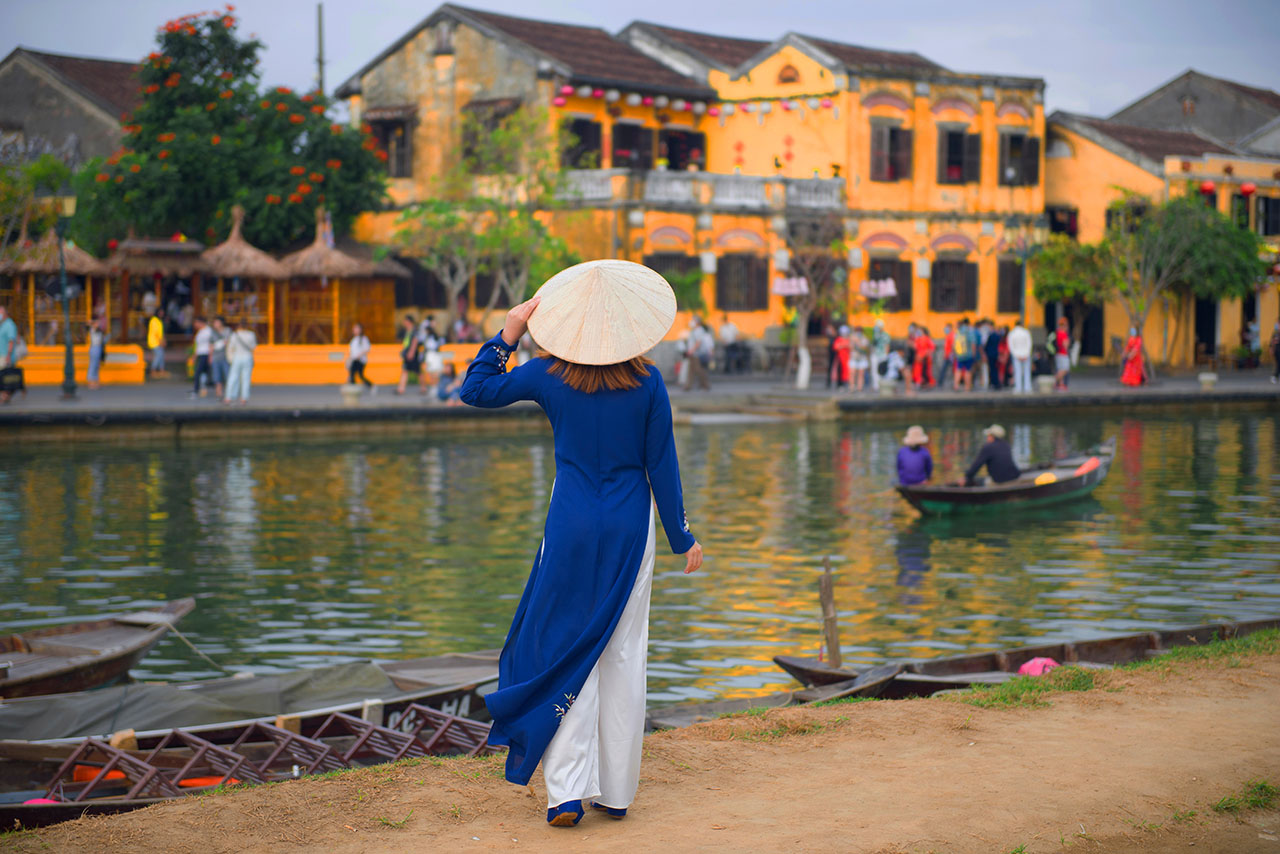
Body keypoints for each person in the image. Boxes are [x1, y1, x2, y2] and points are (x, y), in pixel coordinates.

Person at [459, 260, 702, 829]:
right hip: (628, 529)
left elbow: (476, 390)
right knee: (621, 653)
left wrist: (510, 331)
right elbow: (661, 465)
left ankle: (565, 793)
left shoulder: (547, 375)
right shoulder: (648, 382)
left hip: (569, 526)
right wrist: (681, 536)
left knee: (566, 649)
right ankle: (616, 793)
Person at [224, 319, 256, 405]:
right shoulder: (251, 335)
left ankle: (228, 397)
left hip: (237, 357)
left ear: (239, 325)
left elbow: (231, 347)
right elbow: (253, 347)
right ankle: (244, 398)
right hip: (247, 357)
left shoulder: (234, 335)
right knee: (246, 378)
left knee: (233, 377)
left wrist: (230, 358)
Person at [682, 317, 712, 391]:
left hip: (696, 354)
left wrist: (691, 351)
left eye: (693, 320)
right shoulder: (695, 330)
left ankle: (705, 384)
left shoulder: (699, 330)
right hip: (693, 353)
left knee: (698, 370)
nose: (691, 322)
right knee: (691, 370)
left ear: (697, 322)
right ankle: (688, 386)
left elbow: (698, 342)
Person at [0, 305, 22, 404]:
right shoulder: (2, 324)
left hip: (5, 356)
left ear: (5, 313)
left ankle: (5, 395)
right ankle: (5, 395)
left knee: (4, 376)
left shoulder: (9, 324)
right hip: (2, 355)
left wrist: (8, 355)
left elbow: (11, 341)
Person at [396, 315, 422, 395]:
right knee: (405, 370)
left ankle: (423, 387)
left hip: (412, 355)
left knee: (418, 371)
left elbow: (415, 341)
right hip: (408, 354)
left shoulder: (414, 330)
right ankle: (401, 388)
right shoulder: (408, 330)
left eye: (405, 321)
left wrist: (411, 352)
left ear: (409, 321)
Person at [1007, 320, 1032, 394]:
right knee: (1027, 372)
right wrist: (1027, 354)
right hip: (1026, 355)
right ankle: (1027, 387)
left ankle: (1018, 388)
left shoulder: (1012, 333)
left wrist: (1016, 355)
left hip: (1017, 355)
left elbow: (1011, 346)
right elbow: (1029, 344)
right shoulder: (1026, 332)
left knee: (1017, 372)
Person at [347, 322, 374, 390]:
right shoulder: (354, 339)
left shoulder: (363, 339)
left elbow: (367, 348)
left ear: (360, 329)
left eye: (356, 328)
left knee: (359, 375)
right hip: (354, 359)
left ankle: (370, 385)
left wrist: (359, 355)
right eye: (354, 328)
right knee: (352, 374)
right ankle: (353, 388)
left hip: (360, 360)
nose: (355, 329)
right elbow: (352, 351)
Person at [191, 317, 212, 398]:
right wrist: (194, 356)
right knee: (203, 373)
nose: (195, 325)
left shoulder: (208, 331)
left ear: (201, 322)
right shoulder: (200, 332)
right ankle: (202, 389)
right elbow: (197, 346)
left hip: (206, 354)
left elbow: (211, 344)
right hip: (200, 354)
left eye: (196, 323)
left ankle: (197, 389)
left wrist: (210, 356)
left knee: (199, 372)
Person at [210, 316, 229, 400]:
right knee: (216, 376)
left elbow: (228, 342)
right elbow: (211, 345)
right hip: (215, 357)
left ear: (221, 323)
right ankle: (219, 393)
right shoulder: (213, 332)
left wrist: (217, 345)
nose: (215, 324)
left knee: (227, 375)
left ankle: (228, 393)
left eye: (216, 322)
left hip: (226, 357)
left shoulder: (227, 331)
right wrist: (210, 356)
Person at [953, 318, 975, 391]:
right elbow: (973, 344)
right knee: (968, 370)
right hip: (968, 355)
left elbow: (954, 344)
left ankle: (956, 386)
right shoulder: (969, 332)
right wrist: (973, 354)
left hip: (959, 355)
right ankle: (967, 387)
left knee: (958, 370)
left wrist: (955, 353)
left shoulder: (958, 332)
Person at [870, 318, 889, 391]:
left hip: (882, 355)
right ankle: (876, 386)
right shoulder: (875, 335)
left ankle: (882, 384)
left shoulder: (885, 335)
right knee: (874, 370)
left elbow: (887, 346)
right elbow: (873, 345)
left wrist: (886, 356)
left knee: (882, 370)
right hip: (875, 355)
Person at [147, 308, 167, 377]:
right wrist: (161, 342)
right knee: (158, 356)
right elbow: (156, 333)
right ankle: (153, 370)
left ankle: (162, 370)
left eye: (162, 312)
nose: (162, 314)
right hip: (154, 342)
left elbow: (161, 333)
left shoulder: (159, 321)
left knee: (161, 355)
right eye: (160, 312)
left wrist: (163, 340)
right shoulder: (154, 320)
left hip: (159, 342)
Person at [86, 319, 105, 390]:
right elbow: (88, 323)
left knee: (97, 365)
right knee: (93, 365)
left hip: (99, 348)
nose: (98, 324)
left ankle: (96, 381)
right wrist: (92, 323)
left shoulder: (99, 331)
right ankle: (90, 382)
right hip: (94, 347)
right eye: (96, 323)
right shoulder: (92, 330)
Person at [984, 323, 1004, 390]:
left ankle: (994, 382)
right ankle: (996, 382)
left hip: (991, 354)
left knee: (992, 369)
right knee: (996, 369)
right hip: (996, 354)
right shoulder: (998, 336)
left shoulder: (991, 336)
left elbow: (987, 346)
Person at [1053, 316, 1071, 390]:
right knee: (1065, 369)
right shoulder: (1063, 334)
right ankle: (1054, 381)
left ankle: (1061, 384)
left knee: (1060, 368)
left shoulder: (1057, 332)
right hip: (1063, 354)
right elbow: (1066, 345)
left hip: (1058, 354)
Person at [849, 326, 869, 392]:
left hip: (862, 358)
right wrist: (853, 341)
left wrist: (858, 342)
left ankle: (859, 387)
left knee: (861, 373)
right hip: (854, 357)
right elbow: (850, 347)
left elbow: (865, 349)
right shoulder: (852, 337)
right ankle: (852, 387)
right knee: (852, 373)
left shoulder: (865, 338)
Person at [831, 325, 851, 389]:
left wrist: (844, 345)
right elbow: (836, 347)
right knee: (840, 371)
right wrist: (843, 346)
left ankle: (848, 383)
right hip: (840, 358)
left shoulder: (849, 339)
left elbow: (851, 346)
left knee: (848, 371)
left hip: (848, 358)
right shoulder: (838, 339)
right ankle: (840, 384)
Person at [939, 323, 954, 389]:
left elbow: (953, 345)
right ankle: (940, 382)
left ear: (950, 328)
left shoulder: (951, 335)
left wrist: (951, 354)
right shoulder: (948, 335)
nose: (945, 329)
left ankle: (941, 382)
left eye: (947, 328)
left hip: (950, 355)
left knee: (951, 369)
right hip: (947, 355)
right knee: (945, 369)